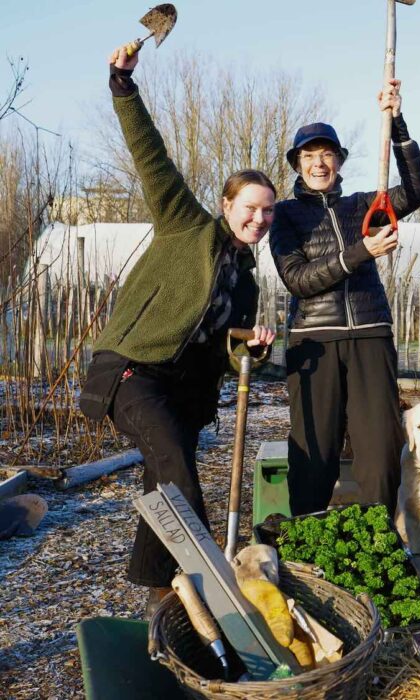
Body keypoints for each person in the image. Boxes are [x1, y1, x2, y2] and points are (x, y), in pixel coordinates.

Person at [80, 45, 276, 616]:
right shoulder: (185, 225)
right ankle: (213, 593)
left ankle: (162, 596)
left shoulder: (247, 283)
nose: (258, 219)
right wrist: (123, 85)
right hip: (133, 371)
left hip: (185, 392)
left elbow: (225, 354)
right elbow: (151, 155)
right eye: (250, 208)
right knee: (177, 473)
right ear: (226, 205)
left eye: (267, 212)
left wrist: (251, 351)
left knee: (159, 484)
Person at [270, 78, 420, 518]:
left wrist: (397, 123)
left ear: (339, 160)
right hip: (314, 343)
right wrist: (362, 252)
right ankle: (308, 545)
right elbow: (298, 279)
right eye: (308, 156)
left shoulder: (363, 204)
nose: (318, 163)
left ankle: (380, 541)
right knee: (313, 455)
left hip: (369, 335)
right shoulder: (284, 215)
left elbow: (416, 191)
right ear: (296, 164)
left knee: (379, 451)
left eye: (326, 154)